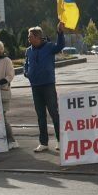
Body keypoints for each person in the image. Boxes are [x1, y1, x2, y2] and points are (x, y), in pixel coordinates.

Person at [24, 23, 65, 152]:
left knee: (54, 113)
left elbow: (60, 46)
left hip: (48, 84)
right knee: (40, 115)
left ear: (38, 37)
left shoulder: (48, 47)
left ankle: (60, 140)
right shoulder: (28, 50)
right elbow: (26, 63)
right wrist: (27, 73)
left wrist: (60, 32)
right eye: (28, 36)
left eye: (30, 36)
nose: (28, 39)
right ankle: (43, 143)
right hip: (35, 86)